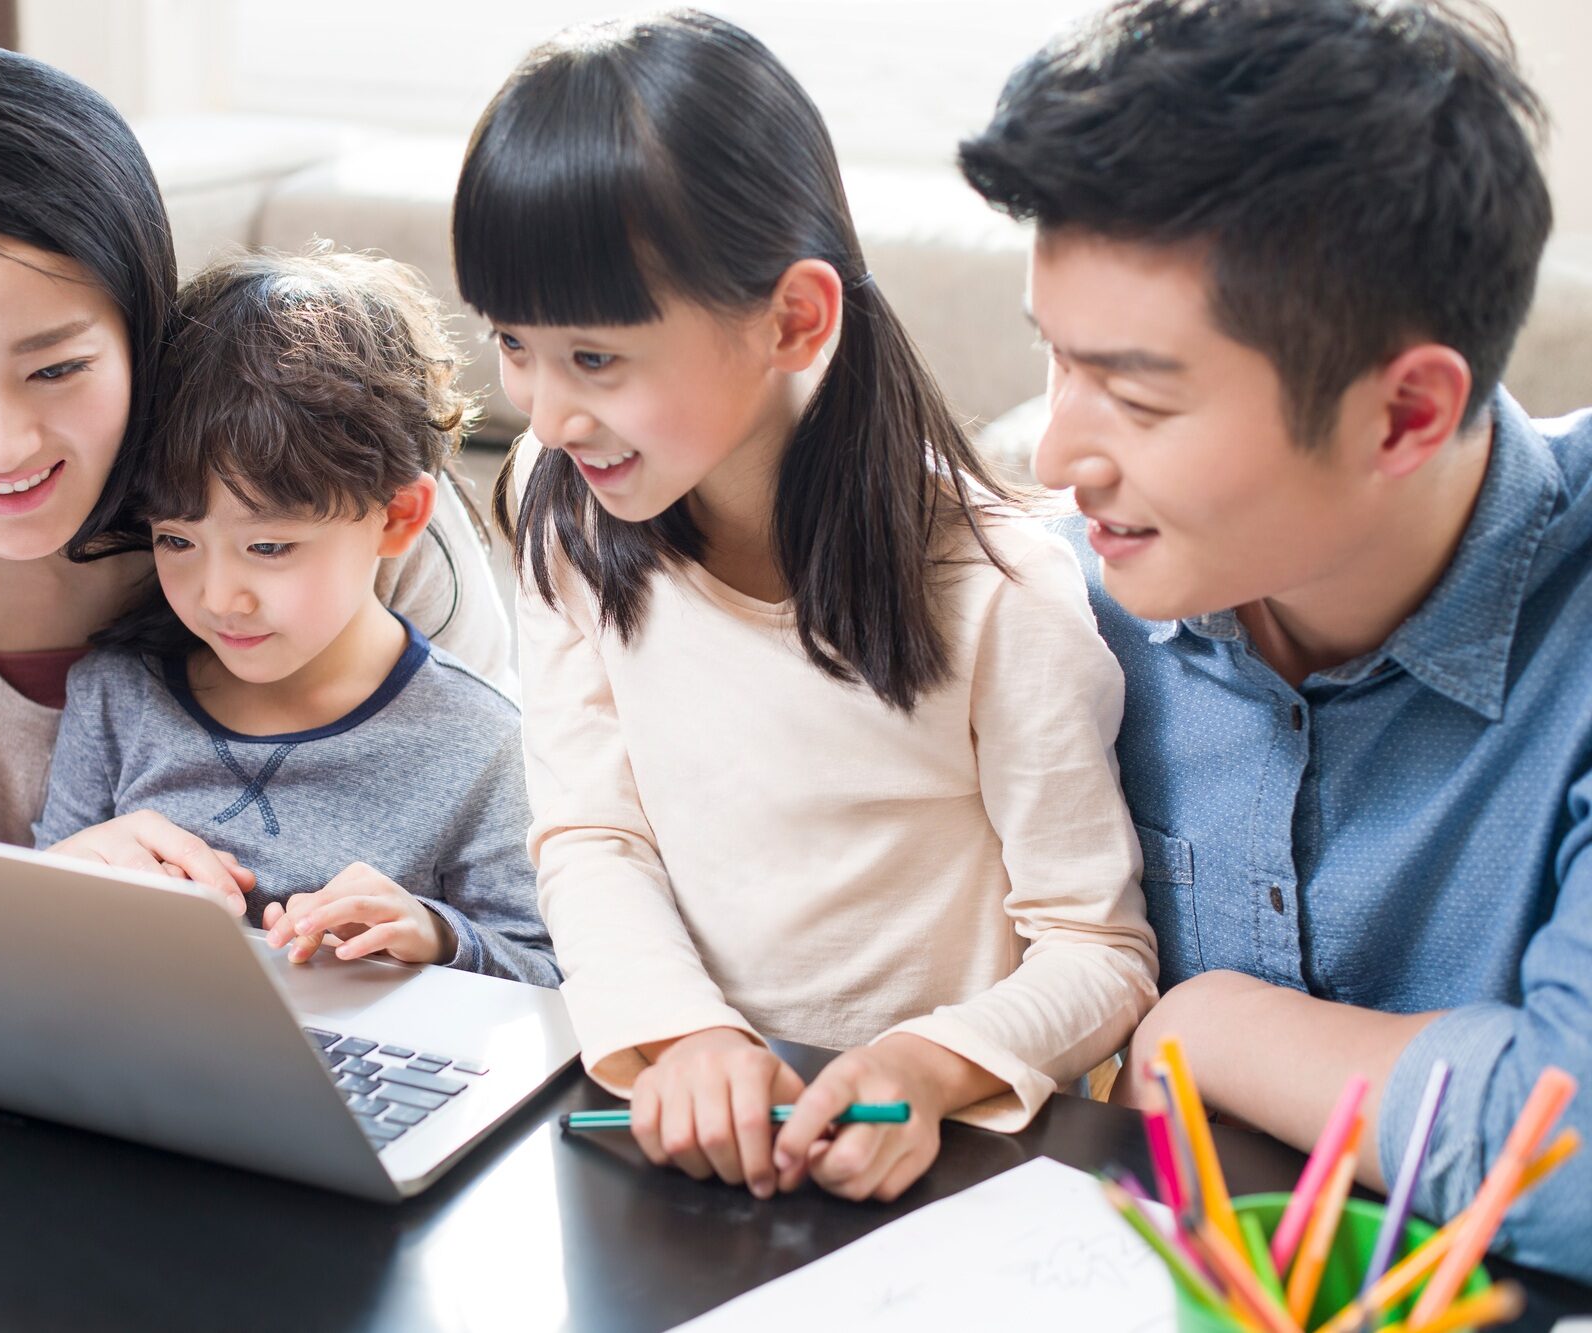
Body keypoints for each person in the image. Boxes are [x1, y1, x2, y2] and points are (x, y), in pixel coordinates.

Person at [452, 10, 1158, 1203]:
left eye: (596, 360)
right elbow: (589, 832)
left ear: (792, 320)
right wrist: (683, 1036)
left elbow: (1096, 949)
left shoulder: (996, 591)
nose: (545, 414)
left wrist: (926, 1067)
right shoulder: (559, 506)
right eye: (513, 346)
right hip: (682, 1136)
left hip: (937, 1162)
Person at [958, 0, 1590, 1278]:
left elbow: (1574, 1162)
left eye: (1133, 394)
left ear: (1406, 412)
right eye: (1054, 364)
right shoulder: (1050, 601)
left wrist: (1213, 1028)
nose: (1059, 453)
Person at [0, 42, 508, 908]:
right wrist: (52, 899)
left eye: (56, 369)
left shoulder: (344, 511)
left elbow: (514, 845)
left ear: (141, 323)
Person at [34, 251, 555, 984]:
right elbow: (34, 928)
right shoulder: (118, 697)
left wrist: (441, 937)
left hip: (370, 1078)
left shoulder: (484, 744)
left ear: (397, 517)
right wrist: (66, 871)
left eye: (270, 546)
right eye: (176, 540)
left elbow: (551, 973)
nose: (219, 595)